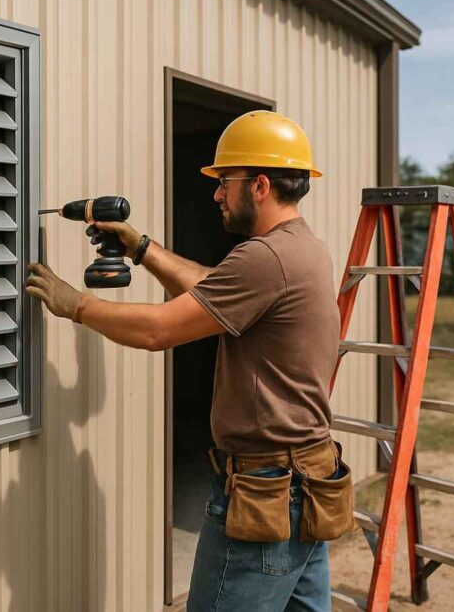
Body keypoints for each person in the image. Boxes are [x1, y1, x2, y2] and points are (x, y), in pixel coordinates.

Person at [26, 110, 349, 611]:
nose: (217, 193)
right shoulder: (304, 248)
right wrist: (143, 249)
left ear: (259, 185)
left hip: (265, 494)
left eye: (225, 181)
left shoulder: (263, 257)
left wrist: (77, 305)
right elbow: (211, 291)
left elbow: (159, 330)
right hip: (305, 484)